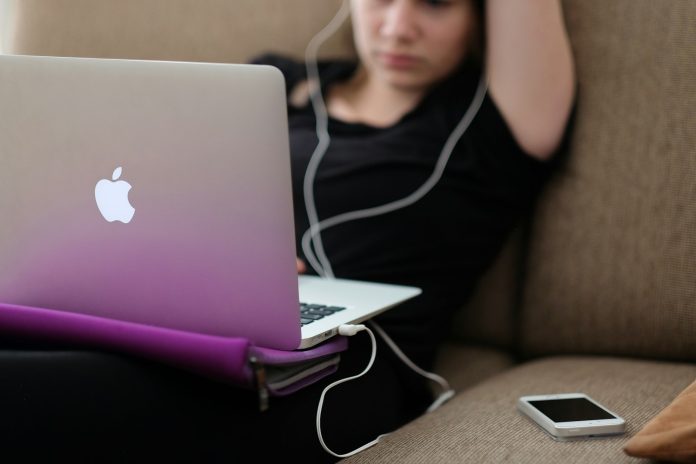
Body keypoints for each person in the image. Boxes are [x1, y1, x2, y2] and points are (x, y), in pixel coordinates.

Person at [2, 1, 575, 463]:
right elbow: (168, 199)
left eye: (435, 3)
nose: (399, 26)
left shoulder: (491, 124)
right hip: (197, 313)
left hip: (346, 361)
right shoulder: (275, 86)